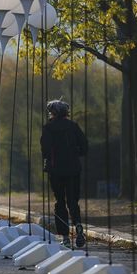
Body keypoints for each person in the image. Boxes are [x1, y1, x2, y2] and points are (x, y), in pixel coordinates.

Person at [40, 100, 88, 249]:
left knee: (60, 201)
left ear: (52, 113)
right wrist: (74, 154)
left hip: (56, 171)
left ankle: (65, 237)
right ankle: (78, 226)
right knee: (73, 201)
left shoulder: (48, 128)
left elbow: (45, 149)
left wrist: (51, 159)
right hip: (73, 169)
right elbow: (85, 146)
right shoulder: (73, 126)